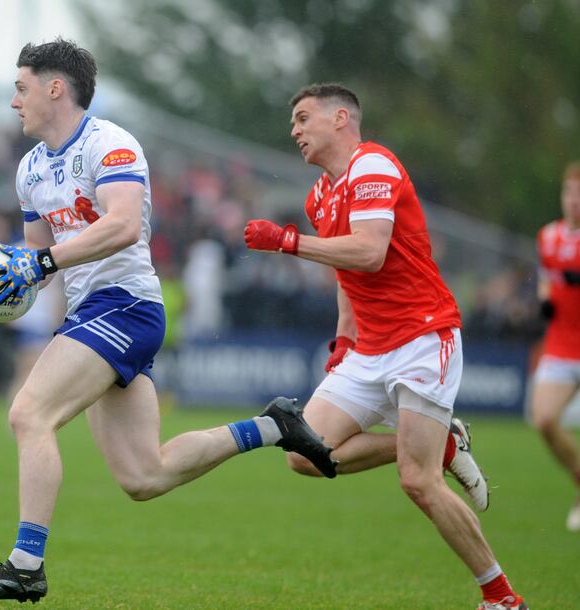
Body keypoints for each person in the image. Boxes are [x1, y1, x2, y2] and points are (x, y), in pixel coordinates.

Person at [0, 39, 337, 605]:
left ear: (56, 88)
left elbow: (125, 224)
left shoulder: (111, 144)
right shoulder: (30, 170)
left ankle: (25, 565)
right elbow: (37, 257)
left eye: (21, 88)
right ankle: (274, 426)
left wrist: (45, 261)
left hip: (126, 306)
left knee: (29, 414)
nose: (14, 102)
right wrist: (11, 281)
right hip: (91, 313)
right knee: (144, 477)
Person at [243, 83, 527, 610]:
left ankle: (502, 597)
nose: (295, 130)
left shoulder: (373, 165)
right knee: (303, 455)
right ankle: (444, 444)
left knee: (417, 483)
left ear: (341, 118)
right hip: (369, 346)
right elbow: (346, 271)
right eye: (293, 123)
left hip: (423, 336)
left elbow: (369, 252)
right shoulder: (319, 194)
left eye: (304, 118)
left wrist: (287, 241)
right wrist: (345, 338)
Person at [531, 160, 580, 531]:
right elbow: (547, 278)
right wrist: (545, 297)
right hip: (562, 344)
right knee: (545, 419)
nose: (574, 201)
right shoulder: (548, 236)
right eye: (570, 193)